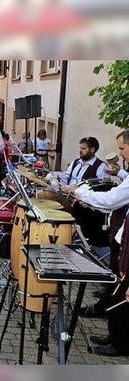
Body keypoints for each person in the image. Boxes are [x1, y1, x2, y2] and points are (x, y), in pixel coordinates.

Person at [63, 131, 129, 355]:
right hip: (121, 239)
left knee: (122, 296)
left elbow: (112, 199)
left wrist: (81, 192)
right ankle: (114, 335)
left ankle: (120, 343)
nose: (120, 153)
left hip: (125, 244)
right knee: (117, 293)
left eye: (122, 149)